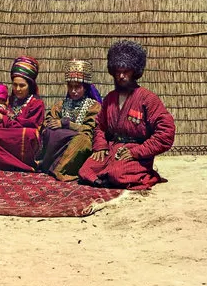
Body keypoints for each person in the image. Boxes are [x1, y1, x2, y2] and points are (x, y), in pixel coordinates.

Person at [79, 40, 176, 190]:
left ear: (135, 71)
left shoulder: (148, 98)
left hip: (137, 151)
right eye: (117, 71)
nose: (121, 76)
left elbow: (166, 132)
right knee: (86, 170)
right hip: (113, 148)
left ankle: (143, 174)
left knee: (117, 174)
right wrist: (100, 146)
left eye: (126, 71)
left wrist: (137, 152)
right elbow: (100, 126)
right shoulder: (110, 98)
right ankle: (106, 179)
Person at [38, 59, 102, 181]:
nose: (73, 91)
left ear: (86, 88)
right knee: (49, 132)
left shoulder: (94, 106)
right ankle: (48, 164)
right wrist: (52, 125)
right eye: (70, 86)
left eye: (77, 87)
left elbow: (91, 130)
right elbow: (48, 120)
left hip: (80, 141)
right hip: (61, 141)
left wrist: (66, 124)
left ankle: (60, 170)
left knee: (82, 141)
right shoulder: (61, 104)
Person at [0, 56, 45, 171]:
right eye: (15, 85)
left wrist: (4, 119)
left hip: (22, 137)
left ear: (29, 86)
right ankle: (4, 161)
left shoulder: (37, 103)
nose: (18, 89)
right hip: (10, 134)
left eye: (22, 85)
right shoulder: (9, 100)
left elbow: (31, 125)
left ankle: (19, 163)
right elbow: (0, 117)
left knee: (29, 134)